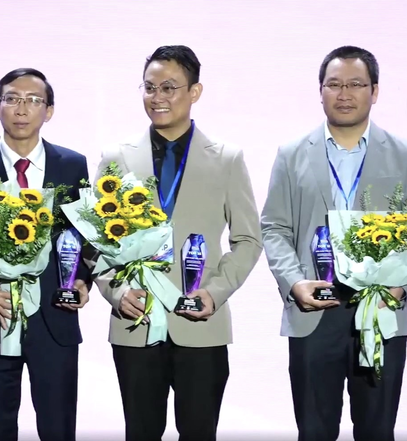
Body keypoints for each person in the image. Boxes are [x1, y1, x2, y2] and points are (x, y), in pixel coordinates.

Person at [260, 45, 407, 441]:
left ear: (374, 91)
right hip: (314, 308)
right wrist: (293, 282)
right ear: (320, 91)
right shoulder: (291, 154)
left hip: (379, 309)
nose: (344, 93)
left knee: (377, 430)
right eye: (334, 84)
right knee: (315, 430)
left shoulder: (403, 153)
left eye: (356, 84)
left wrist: (398, 285)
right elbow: (273, 227)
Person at [91, 45, 262, 441]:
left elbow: (248, 239)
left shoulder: (226, 158)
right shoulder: (116, 156)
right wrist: (116, 293)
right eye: (149, 88)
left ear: (195, 92)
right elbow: (95, 239)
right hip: (136, 322)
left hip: (201, 325)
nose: (158, 98)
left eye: (169, 87)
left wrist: (215, 293)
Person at [0, 68, 93, 441]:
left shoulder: (72, 166)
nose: (22, 109)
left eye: (33, 101)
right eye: (12, 99)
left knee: (58, 429)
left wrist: (83, 282)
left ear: (49, 111)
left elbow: (87, 235)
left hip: (55, 320)